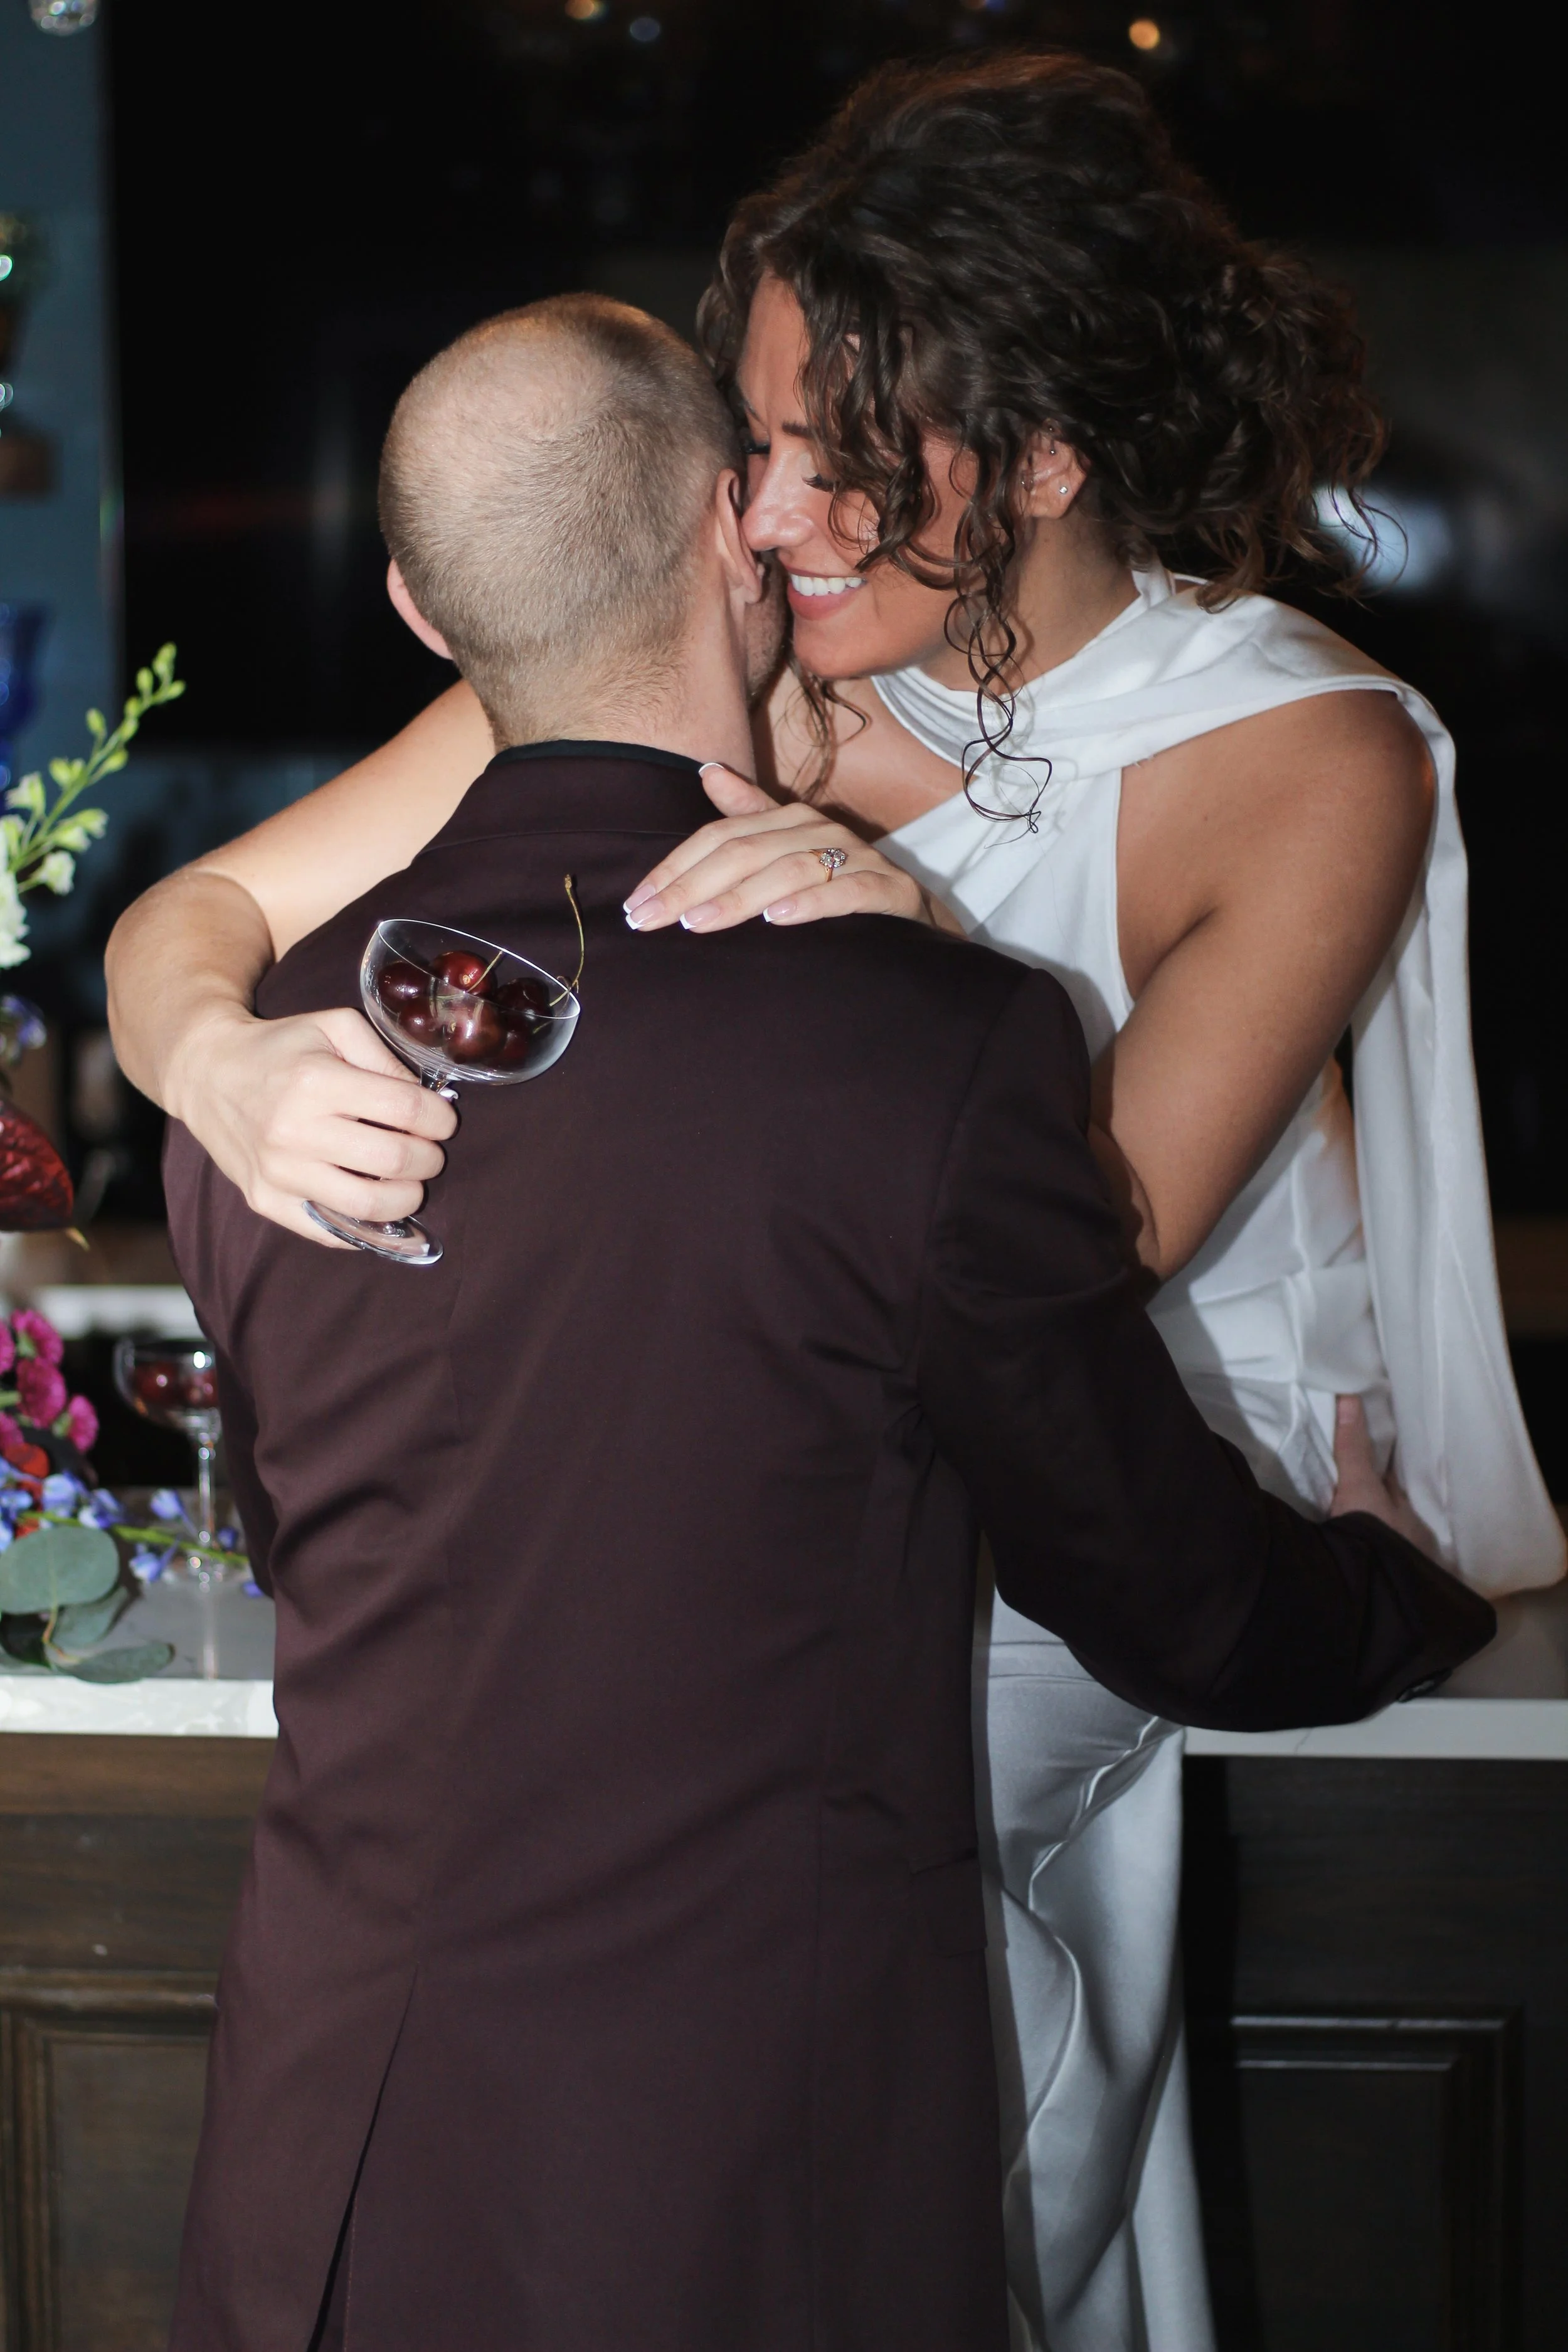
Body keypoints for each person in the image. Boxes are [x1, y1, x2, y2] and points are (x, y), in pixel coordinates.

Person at [105, 53, 1562, 2352]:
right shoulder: (669, 653)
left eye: (834, 455)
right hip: (808, 1421)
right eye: (753, 437)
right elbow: (196, 915)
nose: (762, 508)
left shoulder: (1307, 751)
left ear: (1044, 459)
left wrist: (912, 933)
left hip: (1080, 1452)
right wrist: (216, 1076)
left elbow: (1088, 1261)